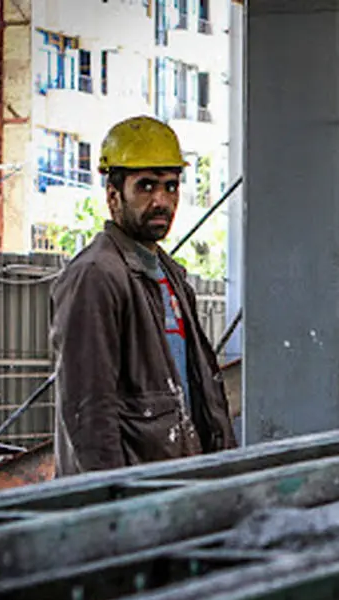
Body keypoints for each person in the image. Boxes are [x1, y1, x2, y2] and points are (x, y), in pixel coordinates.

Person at [49, 115, 236, 476]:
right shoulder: (96, 275)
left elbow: (200, 397)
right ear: (113, 196)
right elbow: (88, 410)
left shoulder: (169, 275)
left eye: (171, 186)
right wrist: (112, 501)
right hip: (133, 497)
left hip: (176, 484)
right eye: (146, 187)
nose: (162, 200)